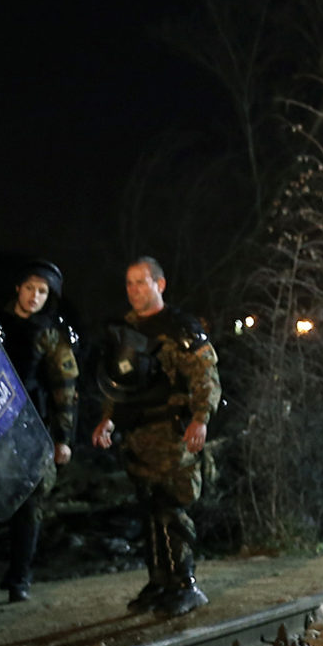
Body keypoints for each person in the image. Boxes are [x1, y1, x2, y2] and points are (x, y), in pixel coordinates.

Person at [93, 255, 219, 616]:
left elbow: (205, 375)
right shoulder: (125, 328)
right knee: (149, 508)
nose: (133, 290)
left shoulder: (180, 328)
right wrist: (107, 420)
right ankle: (160, 582)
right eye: (129, 284)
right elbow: (116, 383)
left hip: (171, 431)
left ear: (159, 285)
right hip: (138, 433)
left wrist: (200, 418)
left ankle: (185, 583)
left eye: (141, 283)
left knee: (171, 506)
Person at [0, 260, 79, 602]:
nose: (35, 296)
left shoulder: (50, 333)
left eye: (42, 291)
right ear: (18, 287)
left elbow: (65, 388)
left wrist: (63, 438)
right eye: (30, 288)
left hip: (32, 427)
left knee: (29, 507)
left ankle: (19, 579)